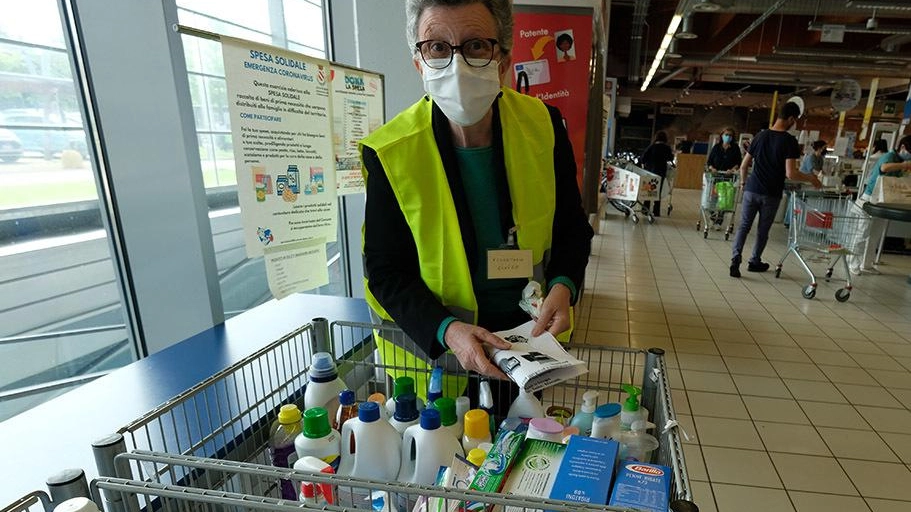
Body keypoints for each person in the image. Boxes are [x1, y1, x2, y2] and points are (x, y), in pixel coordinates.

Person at [361, 0, 594, 384]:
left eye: (475, 46)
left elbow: (571, 228)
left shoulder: (544, 126)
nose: (456, 65)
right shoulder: (389, 151)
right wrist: (448, 330)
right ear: (419, 62)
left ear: (502, 60)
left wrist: (565, 285)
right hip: (435, 359)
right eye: (437, 47)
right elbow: (386, 271)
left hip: (527, 346)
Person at [730, 101, 821, 278]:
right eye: (795, 121)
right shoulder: (789, 141)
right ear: (791, 118)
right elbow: (791, 173)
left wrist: (743, 184)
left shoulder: (759, 136)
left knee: (744, 226)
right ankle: (754, 261)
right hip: (771, 194)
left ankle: (735, 259)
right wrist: (811, 178)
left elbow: (743, 166)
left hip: (751, 189)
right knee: (763, 230)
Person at [848, 135, 911, 274]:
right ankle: (852, 263)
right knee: (862, 232)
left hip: (884, 201)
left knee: (875, 234)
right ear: (902, 148)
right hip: (870, 199)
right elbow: (884, 167)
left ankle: (866, 264)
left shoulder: (901, 160)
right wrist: (905, 165)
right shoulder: (889, 156)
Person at [640, 130, 675, 217]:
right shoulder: (666, 148)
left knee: (649, 190)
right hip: (661, 172)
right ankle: (656, 211)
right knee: (658, 192)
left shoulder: (651, 147)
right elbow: (670, 158)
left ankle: (645, 209)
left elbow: (643, 158)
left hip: (650, 171)